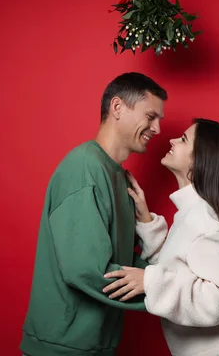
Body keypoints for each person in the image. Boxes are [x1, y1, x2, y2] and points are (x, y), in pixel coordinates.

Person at [20, 72, 167, 356]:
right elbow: (87, 267)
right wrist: (167, 291)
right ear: (117, 108)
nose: (157, 129)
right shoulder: (84, 168)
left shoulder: (121, 178)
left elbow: (122, 263)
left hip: (96, 346)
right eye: (150, 116)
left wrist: (169, 280)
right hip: (63, 349)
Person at [104, 118, 219, 356]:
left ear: (198, 161)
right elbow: (179, 266)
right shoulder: (192, 215)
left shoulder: (205, 222)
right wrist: (146, 221)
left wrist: (150, 282)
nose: (171, 140)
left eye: (183, 140)